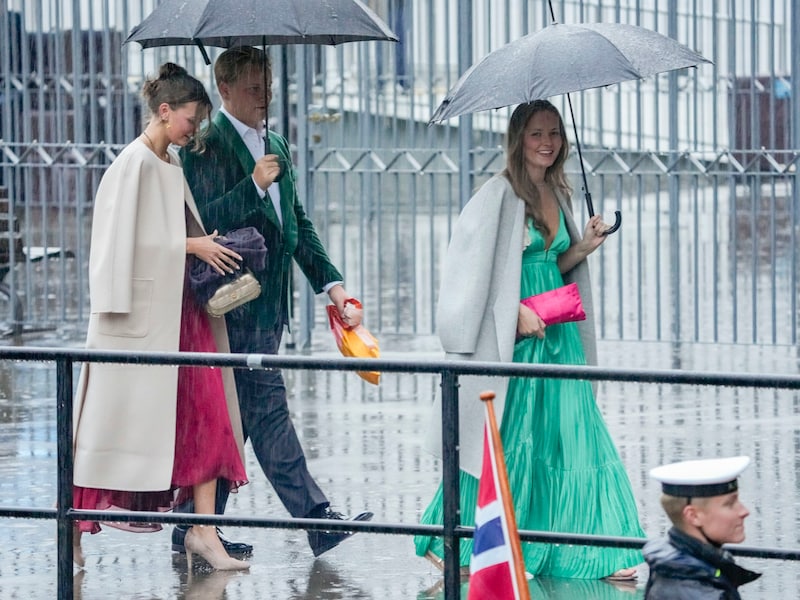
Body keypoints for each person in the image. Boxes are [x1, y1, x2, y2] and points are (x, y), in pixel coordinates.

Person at [413, 99, 645, 580]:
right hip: (513, 340)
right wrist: (511, 310)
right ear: (518, 137)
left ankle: (596, 550)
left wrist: (583, 245)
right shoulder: (496, 195)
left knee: (573, 437)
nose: (548, 142)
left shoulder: (557, 192)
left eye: (555, 133)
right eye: (538, 133)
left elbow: (547, 266)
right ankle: (444, 537)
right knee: (512, 442)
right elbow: (469, 277)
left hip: (559, 335)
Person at [178, 45, 373, 558]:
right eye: (252, 87)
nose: (264, 96)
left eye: (268, 85)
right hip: (231, 306)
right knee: (266, 414)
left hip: (271, 309)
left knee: (239, 420)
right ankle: (316, 519)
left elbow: (297, 226)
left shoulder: (277, 145)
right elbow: (202, 220)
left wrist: (334, 286)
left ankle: (190, 523)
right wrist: (252, 184)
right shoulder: (205, 145)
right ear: (223, 89)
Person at [72, 63, 250, 571]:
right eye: (190, 119)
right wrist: (190, 244)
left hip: (179, 316)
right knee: (107, 433)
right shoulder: (133, 163)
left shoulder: (167, 162)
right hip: (141, 322)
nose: (194, 129)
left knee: (211, 422)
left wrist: (198, 243)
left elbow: (160, 237)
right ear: (164, 110)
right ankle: (74, 531)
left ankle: (204, 533)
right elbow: (113, 249)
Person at [644, 456, 761, 599]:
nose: (744, 511)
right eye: (730, 504)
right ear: (693, 516)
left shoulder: (673, 567)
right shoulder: (702, 592)